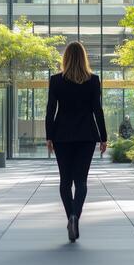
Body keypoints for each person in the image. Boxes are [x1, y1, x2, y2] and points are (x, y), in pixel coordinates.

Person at [45, 41, 107, 242]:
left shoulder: (55, 81)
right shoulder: (93, 80)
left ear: (65, 58)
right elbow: (97, 110)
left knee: (65, 181)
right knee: (81, 181)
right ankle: (75, 216)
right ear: (83, 58)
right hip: (86, 135)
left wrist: (49, 136)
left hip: (62, 136)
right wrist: (103, 137)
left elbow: (50, 110)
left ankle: (70, 215)